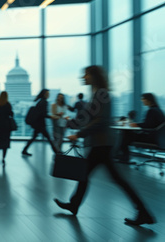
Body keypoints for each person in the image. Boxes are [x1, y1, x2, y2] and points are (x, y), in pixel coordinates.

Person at [54, 66, 155, 226]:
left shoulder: (101, 94)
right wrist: (71, 123)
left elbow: (100, 121)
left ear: (94, 76)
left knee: (101, 177)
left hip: (101, 143)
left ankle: (143, 212)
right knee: (91, 175)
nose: (83, 77)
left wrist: (79, 133)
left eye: (86, 74)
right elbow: (89, 118)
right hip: (100, 143)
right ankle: (74, 204)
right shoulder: (98, 94)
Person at [117, 93, 165, 162]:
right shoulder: (158, 110)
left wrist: (137, 125)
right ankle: (124, 157)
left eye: (143, 99)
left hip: (151, 138)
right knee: (128, 134)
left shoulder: (152, 111)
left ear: (149, 100)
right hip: (158, 138)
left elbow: (148, 125)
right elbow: (151, 125)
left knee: (126, 134)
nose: (142, 100)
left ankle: (124, 158)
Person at [22, 89, 59, 156]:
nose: (49, 95)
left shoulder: (39, 101)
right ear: (45, 94)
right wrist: (51, 117)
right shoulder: (44, 102)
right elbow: (43, 114)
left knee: (34, 137)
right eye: (48, 94)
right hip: (40, 124)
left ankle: (24, 150)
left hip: (37, 124)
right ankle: (56, 152)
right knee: (49, 138)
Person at [0, 92, 13, 166]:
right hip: (6, 126)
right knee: (5, 144)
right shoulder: (8, 104)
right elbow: (11, 114)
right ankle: (3, 159)